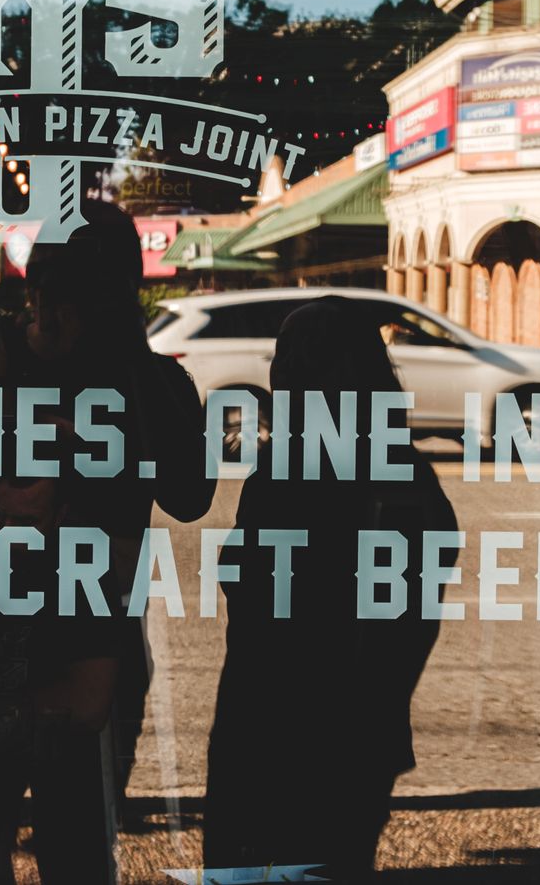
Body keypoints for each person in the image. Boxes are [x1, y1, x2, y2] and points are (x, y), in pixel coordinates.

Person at [0, 201, 211, 883]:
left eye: (83, 294)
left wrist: (132, 361)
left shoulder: (148, 381)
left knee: (75, 844)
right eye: (47, 287)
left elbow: (190, 496)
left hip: (92, 648)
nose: (57, 310)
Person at [202, 297, 459, 881]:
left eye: (285, 359)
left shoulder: (288, 470)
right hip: (361, 730)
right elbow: (418, 605)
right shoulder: (405, 473)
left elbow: (249, 584)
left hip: (271, 726)